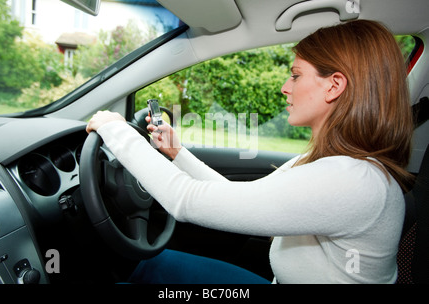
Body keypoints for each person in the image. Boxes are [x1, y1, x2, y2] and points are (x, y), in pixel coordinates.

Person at [86, 19, 414, 283]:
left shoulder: (354, 181)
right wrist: (177, 153)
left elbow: (185, 201)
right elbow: (237, 198)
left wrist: (114, 128)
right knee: (152, 265)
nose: (285, 87)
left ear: (334, 85)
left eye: (296, 75)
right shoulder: (334, 164)